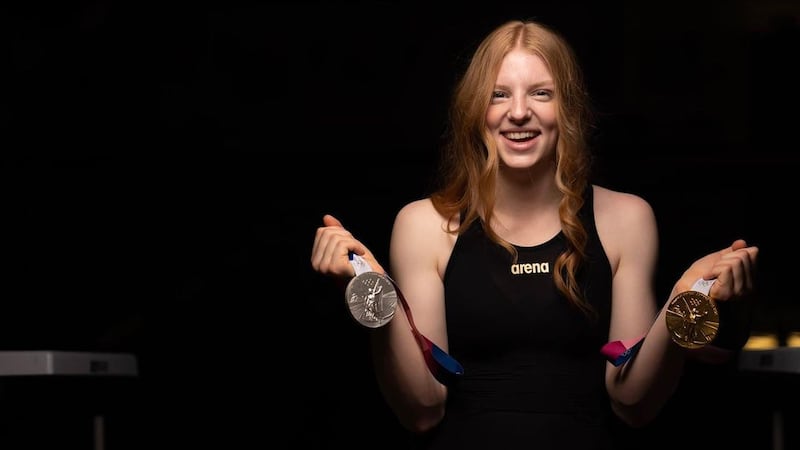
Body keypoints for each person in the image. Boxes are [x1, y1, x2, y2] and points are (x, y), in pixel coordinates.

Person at [310, 19, 759, 449]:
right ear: (475, 110)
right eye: (499, 94)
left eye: (541, 93)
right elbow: (423, 411)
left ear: (568, 109)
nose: (519, 112)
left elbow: (633, 403)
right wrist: (373, 295)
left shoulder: (627, 218)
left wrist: (687, 300)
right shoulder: (423, 224)